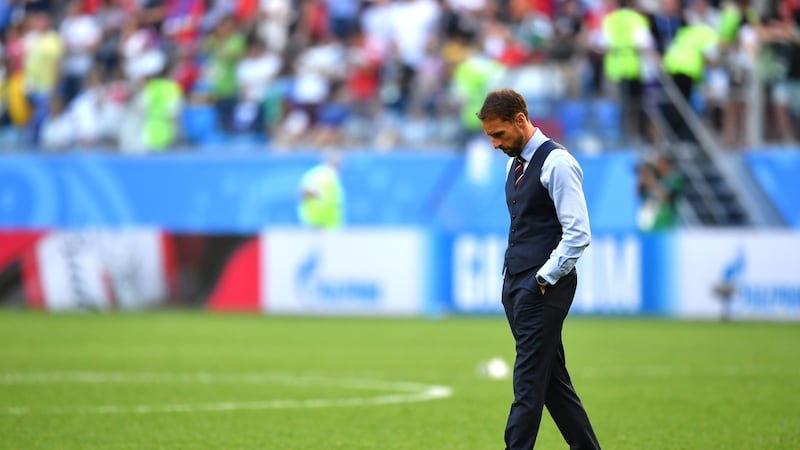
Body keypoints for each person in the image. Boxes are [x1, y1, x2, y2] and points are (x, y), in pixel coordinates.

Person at [476, 88, 601, 450]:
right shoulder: (513, 164)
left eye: (499, 134)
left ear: (520, 120)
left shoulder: (557, 163)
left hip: (543, 286)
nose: (495, 144)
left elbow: (578, 233)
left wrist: (543, 278)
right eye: (490, 137)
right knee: (551, 382)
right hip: (517, 284)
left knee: (528, 381)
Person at [297, 152, 345, 229]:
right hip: (318, 224)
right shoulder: (324, 175)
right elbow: (303, 192)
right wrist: (316, 195)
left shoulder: (325, 174)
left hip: (324, 224)